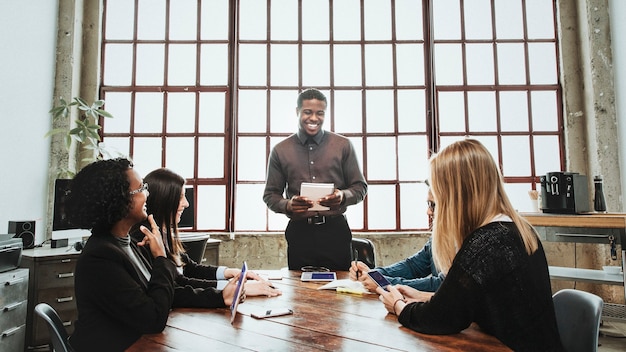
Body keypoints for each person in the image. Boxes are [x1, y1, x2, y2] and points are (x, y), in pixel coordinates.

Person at [376, 139, 563, 351]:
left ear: (456, 198)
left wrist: (399, 306)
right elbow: (475, 303)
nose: (430, 212)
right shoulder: (516, 229)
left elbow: (441, 319)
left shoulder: (485, 244)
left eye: (435, 202)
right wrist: (423, 296)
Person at [64, 158, 181, 351]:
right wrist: (161, 258)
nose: (147, 193)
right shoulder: (100, 258)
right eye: (141, 188)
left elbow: (163, 292)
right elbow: (153, 319)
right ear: (119, 201)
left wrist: (220, 297)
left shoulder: (128, 243)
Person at [131, 167, 281, 309]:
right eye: (181, 197)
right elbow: (178, 283)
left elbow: (189, 268)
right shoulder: (143, 237)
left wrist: (229, 272)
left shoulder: (162, 231)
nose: (186, 204)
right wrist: (234, 289)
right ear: (165, 200)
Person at [263, 88, 368, 270]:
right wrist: (288, 205)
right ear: (297, 112)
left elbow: (360, 188)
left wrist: (342, 196)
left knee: (339, 291)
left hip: (335, 231)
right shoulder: (280, 150)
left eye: (320, 113)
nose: (314, 118)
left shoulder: (343, 146)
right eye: (308, 112)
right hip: (299, 232)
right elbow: (270, 195)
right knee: (300, 292)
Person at [349, 184, 444, 293]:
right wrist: (373, 274)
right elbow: (414, 266)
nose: (428, 212)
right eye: (428, 204)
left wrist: (384, 283)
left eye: (433, 205)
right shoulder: (439, 237)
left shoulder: (463, 242)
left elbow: (442, 286)